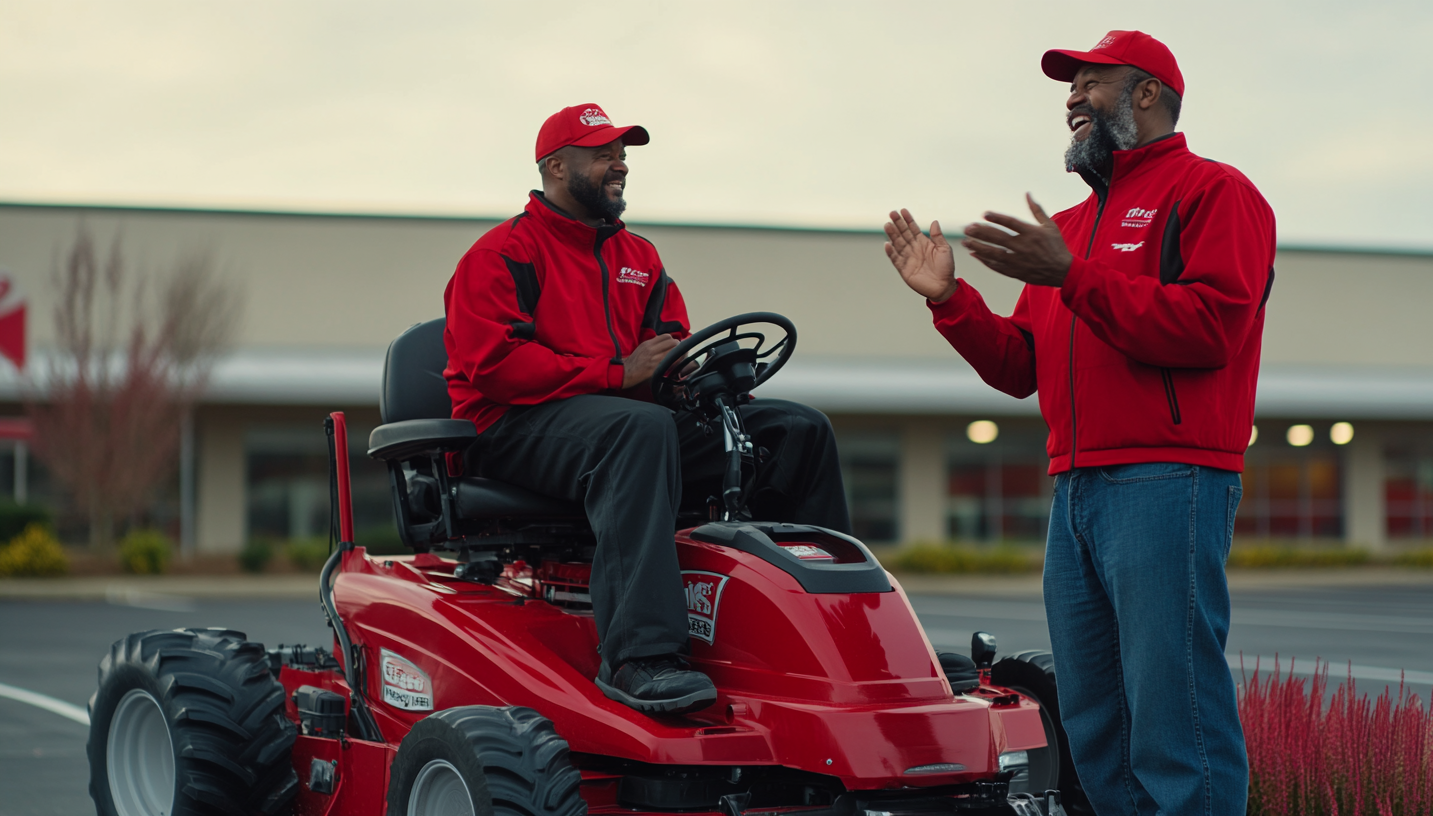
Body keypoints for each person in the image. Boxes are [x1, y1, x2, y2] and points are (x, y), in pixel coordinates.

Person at [884, 31, 1274, 816]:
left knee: (1175, 708)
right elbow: (1019, 367)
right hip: (1076, 488)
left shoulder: (1215, 193)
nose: (1071, 97)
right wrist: (949, 301)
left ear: (1147, 94)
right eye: (1069, 85)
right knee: (1094, 716)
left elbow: (1210, 328)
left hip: (1169, 478)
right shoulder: (1067, 225)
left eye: (1090, 82)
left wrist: (1073, 274)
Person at [443, 103, 853, 715]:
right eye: (603, 153)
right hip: (507, 427)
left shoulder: (640, 258)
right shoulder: (503, 253)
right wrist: (616, 373)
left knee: (795, 429)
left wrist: (698, 379)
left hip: (622, 422)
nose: (621, 165)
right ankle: (640, 656)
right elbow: (493, 366)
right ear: (556, 166)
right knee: (638, 429)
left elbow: (670, 347)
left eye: (623, 154)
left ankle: (840, 634)